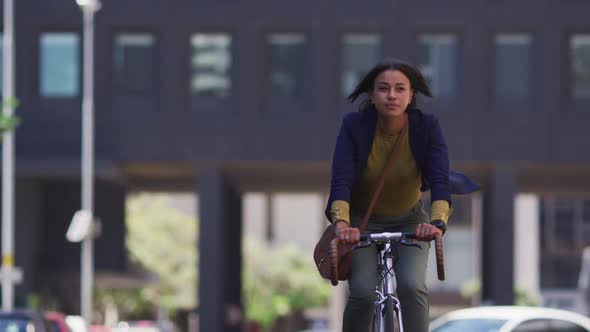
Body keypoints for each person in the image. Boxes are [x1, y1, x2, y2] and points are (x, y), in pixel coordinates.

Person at [325, 58, 479, 332]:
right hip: (362, 223)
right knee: (361, 292)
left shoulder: (427, 127)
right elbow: (341, 180)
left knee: (411, 286)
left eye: (400, 89)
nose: (392, 95)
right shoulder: (354, 126)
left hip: (411, 222)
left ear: (411, 96)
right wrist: (342, 224)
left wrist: (436, 223)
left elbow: (440, 179)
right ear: (372, 95)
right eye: (383, 88)